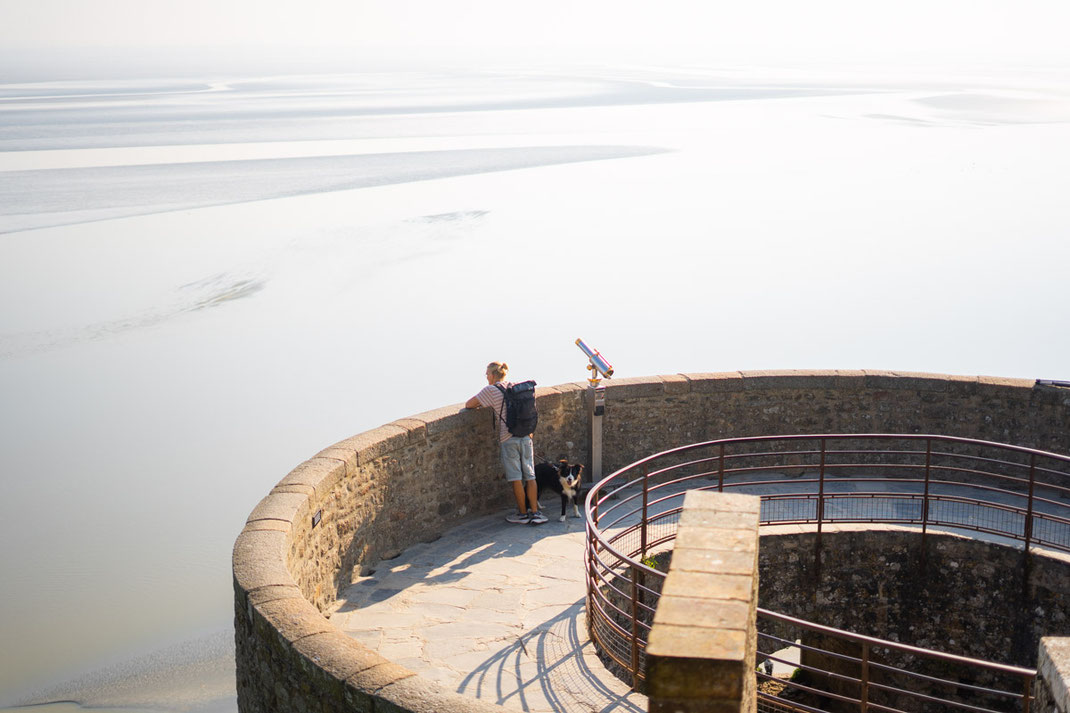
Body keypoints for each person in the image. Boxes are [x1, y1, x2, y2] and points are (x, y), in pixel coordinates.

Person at [466, 361, 547, 524]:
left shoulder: (491, 389)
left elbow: (469, 404)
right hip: (526, 435)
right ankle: (536, 513)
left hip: (508, 438)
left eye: (487, 374)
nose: (486, 377)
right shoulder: (517, 387)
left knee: (516, 477)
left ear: (493, 375)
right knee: (530, 476)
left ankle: (523, 514)